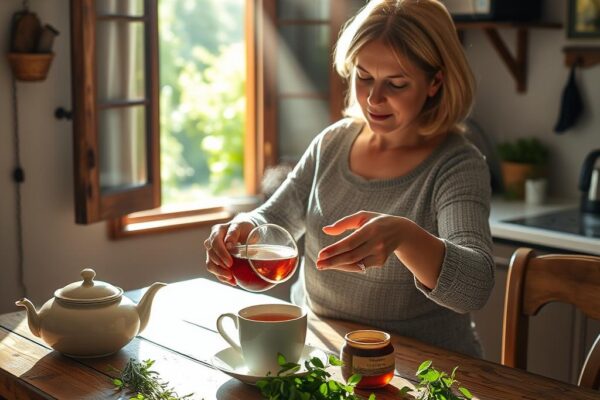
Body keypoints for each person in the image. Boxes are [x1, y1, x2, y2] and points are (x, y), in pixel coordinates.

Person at [204, 0, 494, 357]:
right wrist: (244, 224)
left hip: (421, 367)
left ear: (435, 82)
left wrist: (404, 236)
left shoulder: (457, 165)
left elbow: (474, 288)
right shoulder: (333, 142)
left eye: (397, 84)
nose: (374, 98)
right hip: (321, 351)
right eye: (364, 76)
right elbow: (275, 218)